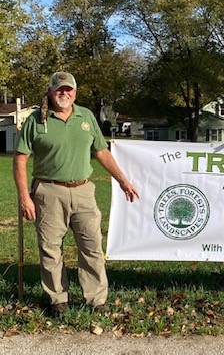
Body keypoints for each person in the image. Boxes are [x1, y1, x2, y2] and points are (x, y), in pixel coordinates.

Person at [13, 71, 139, 316]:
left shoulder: (86, 116)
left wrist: (123, 180)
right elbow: (20, 159)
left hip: (83, 190)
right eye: (59, 89)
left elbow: (101, 151)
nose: (64, 93)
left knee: (91, 246)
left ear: (75, 92)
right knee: (50, 249)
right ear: (50, 92)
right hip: (48, 192)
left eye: (68, 89)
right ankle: (58, 300)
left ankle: (96, 299)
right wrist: (23, 197)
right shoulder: (35, 121)